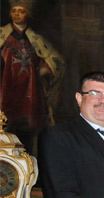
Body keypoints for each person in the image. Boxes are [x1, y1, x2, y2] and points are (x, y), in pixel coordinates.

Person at [1, 0, 64, 153]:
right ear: (10, 13)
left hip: (29, 90)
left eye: (21, 11)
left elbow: (53, 60)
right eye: (14, 11)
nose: (17, 14)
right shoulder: (2, 35)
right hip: (6, 87)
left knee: (27, 129)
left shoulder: (35, 39)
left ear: (28, 15)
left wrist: (45, 68)